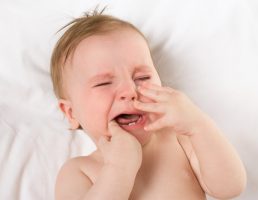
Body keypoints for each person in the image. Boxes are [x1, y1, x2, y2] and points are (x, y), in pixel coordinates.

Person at [51, 8, 247, 200]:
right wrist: (119, 169)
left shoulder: (178, 140)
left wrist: (197, 125)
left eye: (142, 77)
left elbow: (230, 188)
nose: (130, 91)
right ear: (71, 113)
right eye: (104, 83)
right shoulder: (79, 172)